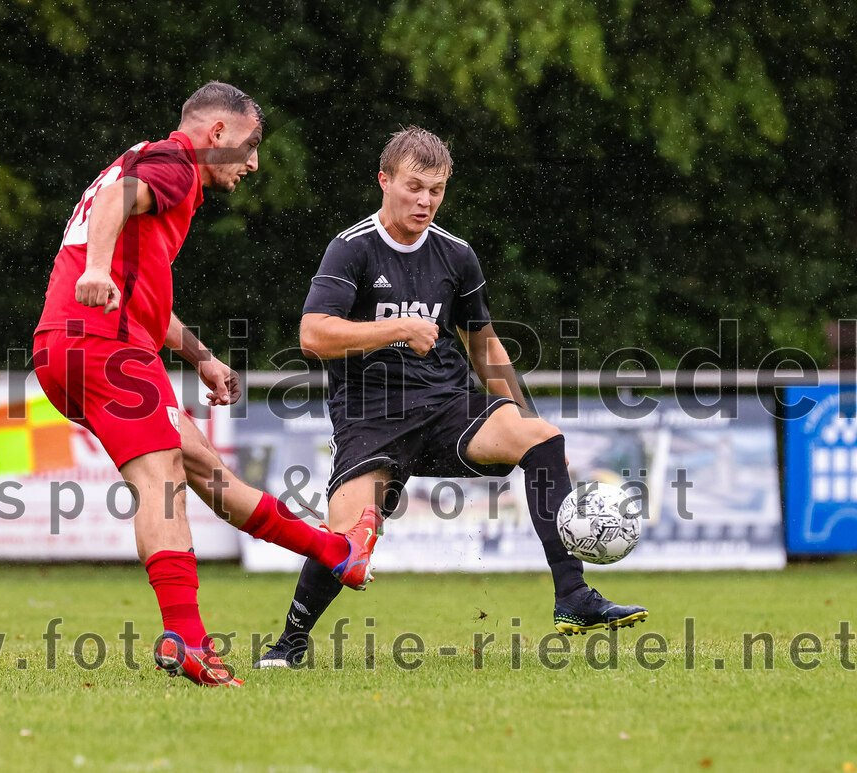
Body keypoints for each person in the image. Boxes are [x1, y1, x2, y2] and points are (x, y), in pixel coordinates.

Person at [256, 126, 648, 668]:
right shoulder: (352, 249)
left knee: (543, 437)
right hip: (371, 418)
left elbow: (485, 347)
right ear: (384, 180)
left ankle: (573, 598)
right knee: (347, 543)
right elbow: (313, 335)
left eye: (436, 190)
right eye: (414, 186)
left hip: (446, 406)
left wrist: (528, 432)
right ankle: (290, 643)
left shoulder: (455, 256)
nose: (425, 201)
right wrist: (395, 329)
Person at [32, 81, 381, 688]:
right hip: (101, 345)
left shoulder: (154, 165)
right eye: (248, 146)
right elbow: (115, 202)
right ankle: (185, 637)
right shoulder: (176, 164)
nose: (252, 163)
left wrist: (201, 357)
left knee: (205, 471)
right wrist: (93, 272)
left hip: (83, 345)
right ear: (216, 134)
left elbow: (137, 285)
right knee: (161, 474)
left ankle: (334, 553)